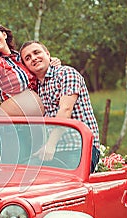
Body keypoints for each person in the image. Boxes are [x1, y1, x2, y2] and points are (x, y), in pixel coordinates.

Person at [20, 40, 100, 172]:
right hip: (53, 150)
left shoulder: (66, 73)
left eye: (36, 53)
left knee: (55, 186)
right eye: (28, 58)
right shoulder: (35, 88)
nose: (33, 58)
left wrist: (50, 144)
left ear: (47, 54)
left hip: (80, 148)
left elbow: (66, 109)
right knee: (22, 174)